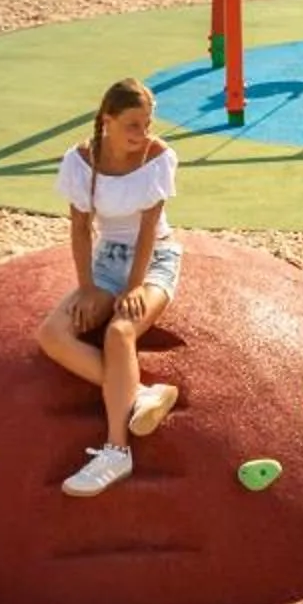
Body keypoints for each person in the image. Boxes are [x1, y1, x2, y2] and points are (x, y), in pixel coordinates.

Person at [36, 77, 184, 497]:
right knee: (52, 334)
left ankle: (116, 450)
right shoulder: (80, 161)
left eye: (147, 124)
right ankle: (139, 392)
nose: (143, 135)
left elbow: (150, 229)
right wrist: (86, 288)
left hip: (154, 256)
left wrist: (134, 287)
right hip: (106, 261)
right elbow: (80, 227)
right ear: (108, 120)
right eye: (132, 125)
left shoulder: (159, 158)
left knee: (120, 332)